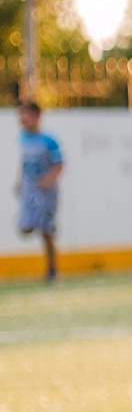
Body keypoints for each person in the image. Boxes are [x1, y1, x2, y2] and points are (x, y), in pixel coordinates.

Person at [15, 100, 62, 282]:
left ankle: (53, 270)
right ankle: (34, 221)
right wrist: (19, 182)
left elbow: (60, 164)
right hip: (29, 190)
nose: (22, 119)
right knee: (25, 227)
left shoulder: (49, 140)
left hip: (46, 192)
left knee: (46, 231)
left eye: (25, 115)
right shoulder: (23, 138)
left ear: (36, 116)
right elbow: (24, 163)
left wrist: (47, 180)